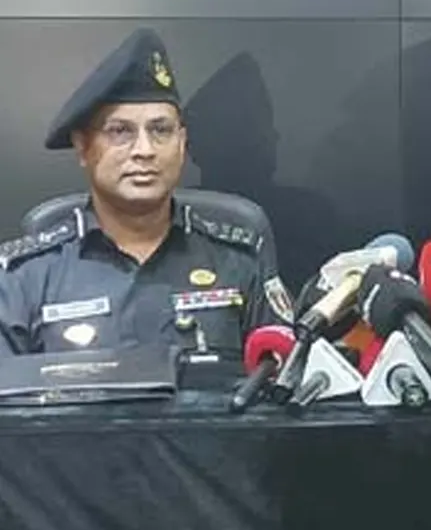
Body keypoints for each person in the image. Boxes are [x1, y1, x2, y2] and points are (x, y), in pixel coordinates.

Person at [0, 29, 294, 357]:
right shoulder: (24, 278)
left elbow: (285, 378)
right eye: (120, 131)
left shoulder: (240, 262)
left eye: (161, 130)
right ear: (83, 147)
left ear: (182, 143)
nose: (145, 150)